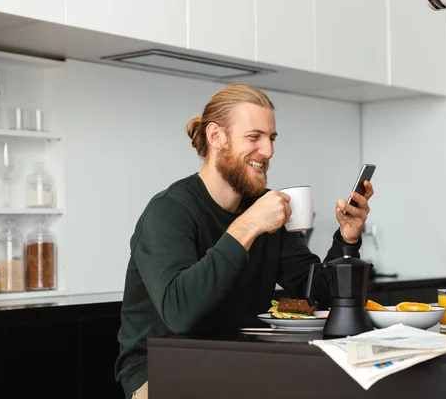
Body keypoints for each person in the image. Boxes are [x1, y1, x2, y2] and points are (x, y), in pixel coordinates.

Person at [114, 83, 374, 399]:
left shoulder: (263, 208)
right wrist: (248, 226)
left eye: (272, 138)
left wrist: (347, 237)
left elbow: (315, 293)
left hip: (240, 361)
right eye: (254, 137)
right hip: (164, 370)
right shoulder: (169, 211)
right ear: (216, 137)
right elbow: (180, 312)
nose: (268, 151)